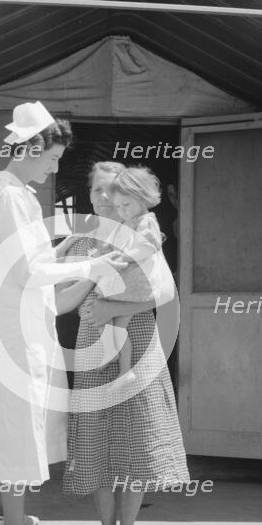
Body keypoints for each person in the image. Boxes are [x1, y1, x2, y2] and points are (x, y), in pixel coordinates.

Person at [0, 104, 126, 525]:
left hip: (25, 323)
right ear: (30, 148)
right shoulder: (11, 198)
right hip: (16, 330)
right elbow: (30, 272)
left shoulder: (13, 193)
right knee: (21, 430)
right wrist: (89, 266)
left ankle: (5, 517)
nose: (54, 167)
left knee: (30, 425)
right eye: (51, 157)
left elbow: (34, 265)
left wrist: (60, 251)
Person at [57, 162, 190, 525]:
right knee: (96, 445)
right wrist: (91, 275)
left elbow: (162, 292)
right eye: (97, 190)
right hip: (93, 342)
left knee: (134, 442)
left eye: (112, 190)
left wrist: (113, 303)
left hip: (140, 340)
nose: (104, 198)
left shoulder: (141, 234)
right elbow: (61, 303)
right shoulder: (83, 242)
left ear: (126, 195)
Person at [93, 167, 168, 392]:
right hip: (130, 287)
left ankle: (113, 355)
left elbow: (148, 245)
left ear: (142, 198)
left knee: (103, 313)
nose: (122, 211)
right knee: (117, 327)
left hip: (132, 287)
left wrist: (123, 256)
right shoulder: (128, 222)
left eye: (125, 206)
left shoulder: (146, 221)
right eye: (118, 207)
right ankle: (124, 370)